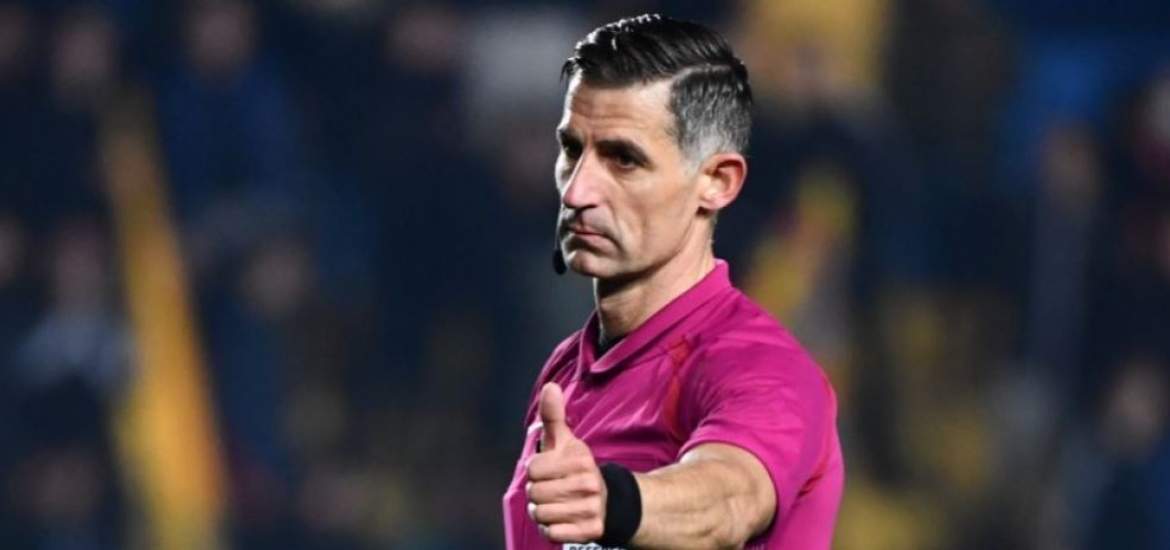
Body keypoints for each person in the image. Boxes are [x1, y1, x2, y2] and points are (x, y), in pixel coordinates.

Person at [501, 14, 843, 550]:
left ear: (716, 182)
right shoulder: (565, 373)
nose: (576, 192)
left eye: (624, 159)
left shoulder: (763, 368)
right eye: (572, 150)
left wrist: (615, 501)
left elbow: (728, 499)